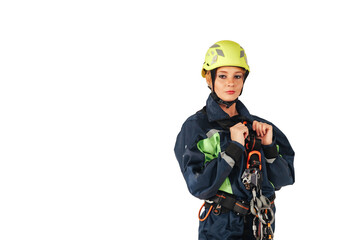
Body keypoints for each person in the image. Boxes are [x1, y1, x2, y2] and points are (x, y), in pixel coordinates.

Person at [174, 40, 295, 240]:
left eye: (237, 76)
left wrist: (269, 147)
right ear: (208, 78)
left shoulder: (260, 126)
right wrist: (233, 147)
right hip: (221, 227)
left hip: (260, 223)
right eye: (222, 76)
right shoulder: (197, 128)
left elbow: (285, 180)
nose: (230, 83)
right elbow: (199, 186)